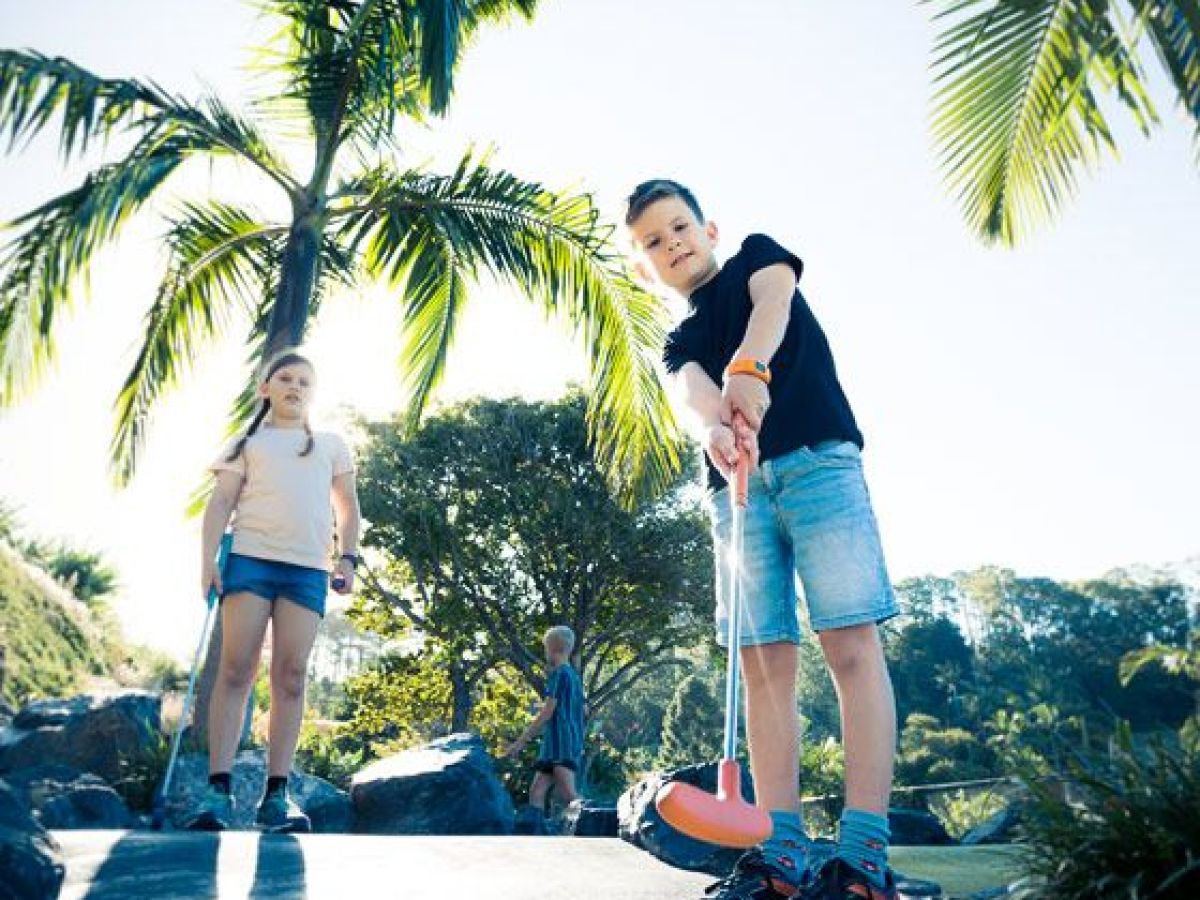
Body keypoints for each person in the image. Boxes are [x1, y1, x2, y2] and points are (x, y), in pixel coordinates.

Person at [625, 180, 901, 900]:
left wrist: (749, 369)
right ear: (644, 266)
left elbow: (772, 308)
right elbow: (694, 392)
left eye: (679, 227)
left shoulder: (758, 256)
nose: (672, 243)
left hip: (818, 464)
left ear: (709, 230)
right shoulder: (679, 340)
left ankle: (862, 855)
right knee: (762, 663)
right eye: (653, 241)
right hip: (738, 493)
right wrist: (716, 427)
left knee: (849, 644)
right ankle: (780, 854)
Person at [185, 349, 361, 833]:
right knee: (236, 669)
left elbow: (348, 507)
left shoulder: (331, 444)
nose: (295, 387)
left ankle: (277, 796)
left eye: (305, 381)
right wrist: (207, 563)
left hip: (307, 570)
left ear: (313, 393)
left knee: (291, 676)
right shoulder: (245, 443)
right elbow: (220, 502)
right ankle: (217, 792)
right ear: (265, 388)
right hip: (250, 561)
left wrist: (348, 558)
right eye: (285, 378)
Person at [504, 625, 586, 833]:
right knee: (536, 791)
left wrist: (520, 742)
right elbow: (582, 710)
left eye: (546, 649)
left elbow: (547, 711)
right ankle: (536, 839)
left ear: (552, 649)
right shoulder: (573, 676)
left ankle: (595, 829)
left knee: (570, 796)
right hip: (556, 745)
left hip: (561, 744)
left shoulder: (559, 674)